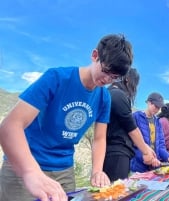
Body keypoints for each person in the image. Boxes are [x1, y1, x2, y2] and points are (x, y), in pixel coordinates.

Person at [0, 34, 133, 201]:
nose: (106, 79)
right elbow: (10, 126)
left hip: (64, 170)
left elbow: (99, 139)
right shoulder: (56, 78)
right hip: (25, 166)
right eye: (106, 70)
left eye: (114, 77)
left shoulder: (104, 98)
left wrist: (97, 170)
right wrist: (30, 171)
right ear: (95, 55)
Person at [103, 68, 156, 182]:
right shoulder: (118, 95)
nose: (134, 89)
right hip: (117, 153)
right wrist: (146, 151)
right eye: (134, 84)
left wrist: (146, 147)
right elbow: (131, 129)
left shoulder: (110, 92)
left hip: (111, 151)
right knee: (116, 191)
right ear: (127, 79)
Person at [130, 92, 169, 173]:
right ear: (149, 102)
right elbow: (133, 143)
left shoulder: (158, 122)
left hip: (153, 168)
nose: (157, 110)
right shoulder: (136, 117)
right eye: (155, 106)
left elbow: (161, 146)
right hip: (137, 167)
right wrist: (148, 157)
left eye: (159, 107)